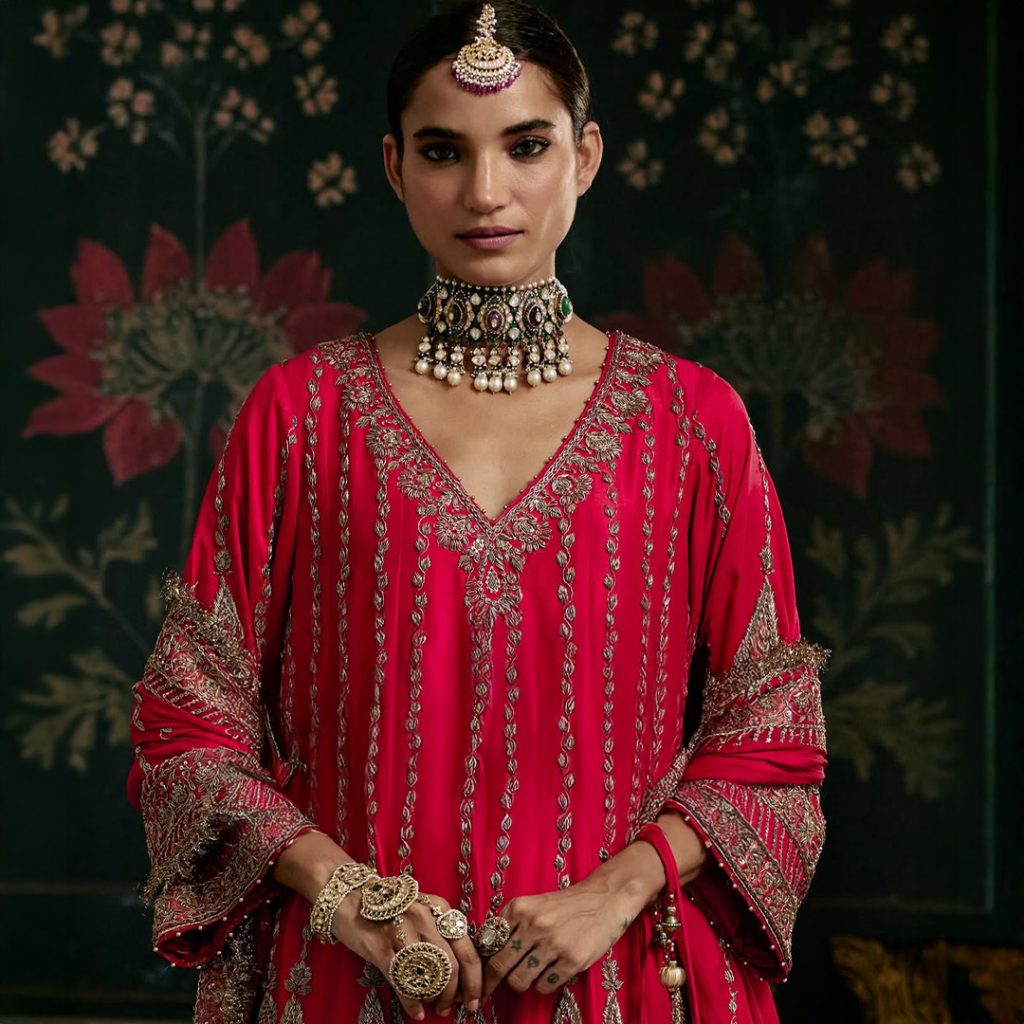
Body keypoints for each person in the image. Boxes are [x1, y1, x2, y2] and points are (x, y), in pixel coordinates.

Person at [126, 2, 828, 1022]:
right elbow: (188, 730)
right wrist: (347, 895)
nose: (485, 192)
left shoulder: (690, 421)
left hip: (621, 974)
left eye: (527, 145)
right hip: (344, 976)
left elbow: (770, 737)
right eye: (444, 151)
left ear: (584, 157)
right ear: (392, 165)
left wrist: (613, 891)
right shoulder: (300, 414)